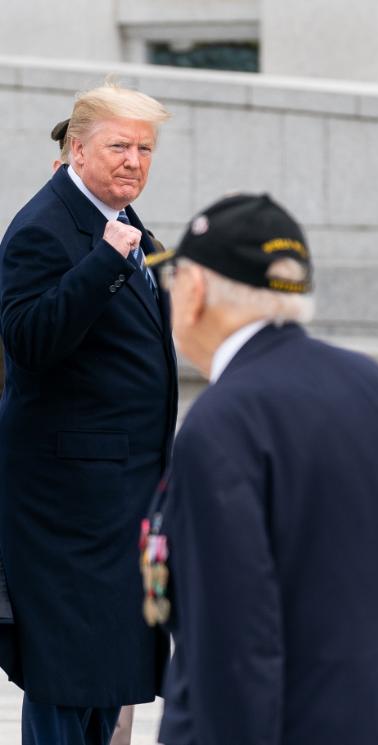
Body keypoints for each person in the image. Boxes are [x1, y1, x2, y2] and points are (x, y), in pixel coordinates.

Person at [148, 194, 378, 745]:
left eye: (174, 280)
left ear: (197, 290)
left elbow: (231, 644)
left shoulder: (223, 421)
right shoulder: (373, 386)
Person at [0, 82, 176, 744]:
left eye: (145, 148)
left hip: (123, 496)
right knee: (68, 678)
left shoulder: (126, 221)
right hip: (67, 504)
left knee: (109, 672)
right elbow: (29, 341)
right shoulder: (46, 227)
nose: (134, 160)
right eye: (119, 146)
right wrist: (103, 262)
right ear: (77, 149)